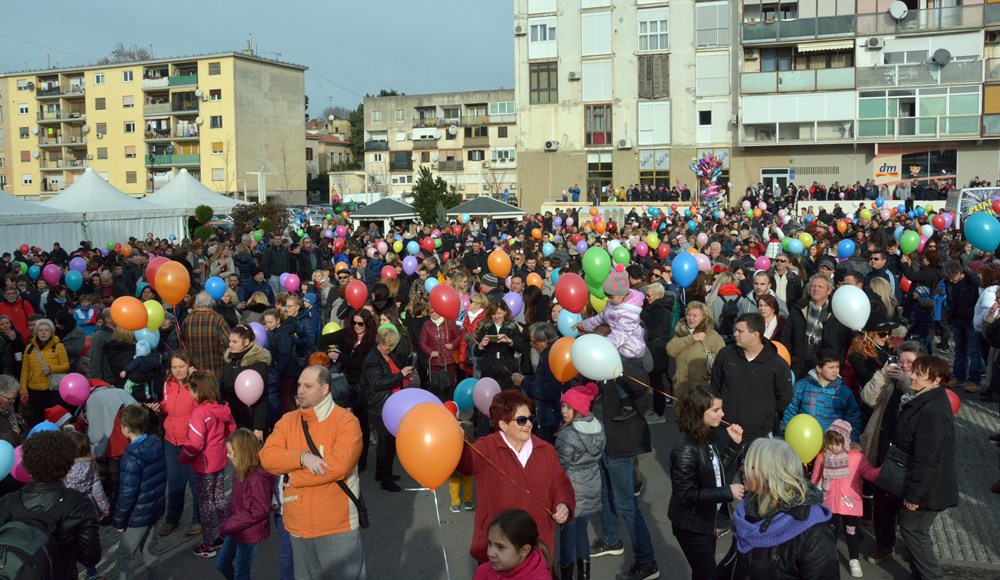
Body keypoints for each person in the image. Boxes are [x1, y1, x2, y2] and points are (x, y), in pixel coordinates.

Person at [259, 365, 366, 580]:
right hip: (299, 526)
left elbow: (338, 467)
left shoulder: (346, 422)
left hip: (337, 524)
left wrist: (294, 477)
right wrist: (301, 457)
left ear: (325, 389)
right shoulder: (287, 421)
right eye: (299, 385)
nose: (300, 391)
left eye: (308, 386)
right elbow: (267, 457)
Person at [457, 390, 574, 565]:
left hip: (536, 546)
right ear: (503, 424)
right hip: (500, 548)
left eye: (530, 418)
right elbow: (467, 464)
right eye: (521, 420)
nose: (528, 424)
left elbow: (560, 483)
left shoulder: (545, 449)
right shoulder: (487, 447)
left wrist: (563, 504)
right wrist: (459, 439)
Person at [716, 438, 838, 579]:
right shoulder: (748, 510)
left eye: (750, 465)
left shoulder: (814, 531)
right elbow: (730, 565)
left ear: (771, 474)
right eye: (743, 463)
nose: (742, 469)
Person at [888, 355, 958, 580]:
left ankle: (930, 576)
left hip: (928, 488)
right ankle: (919, 574)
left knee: (913, 529)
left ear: (936, 380)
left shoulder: (932, 410)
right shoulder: (927, 400)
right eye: (914, 371)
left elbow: (928, 458)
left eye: (919, 373)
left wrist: (915, 495)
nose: (913, 376)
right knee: (916, 530)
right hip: (927, 484)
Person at [667, 384, 744, 580]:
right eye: (716, 410)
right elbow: (687, 494)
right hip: (692, 526)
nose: (722, 414)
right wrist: (727, 492)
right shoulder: (685, 449)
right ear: (699, 412)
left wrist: (734, 444)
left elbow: (715, 470)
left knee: (702, 573)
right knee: (708, 575)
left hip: (707, 520)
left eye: (721, 408)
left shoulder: (705, 436)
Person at [0, 430, 101, 580]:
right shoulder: (79, 504)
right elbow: (91, 557)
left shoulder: (7, 502)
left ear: (28, 464)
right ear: (68, 464)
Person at [810, 420, 881, 578]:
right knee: (830, 532)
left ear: (846, 442)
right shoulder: (822, 457)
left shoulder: (856, 457)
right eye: (830, 442)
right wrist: (812, 494)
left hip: (850, 502)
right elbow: (815, 479)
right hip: (829, 502)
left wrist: (880, 472)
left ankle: (854, 559)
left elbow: (868, 472)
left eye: (837, 443)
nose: (833, 447)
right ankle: (829, 557)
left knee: (852, 532)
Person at [577, 265, 647, 421]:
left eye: (612, 297)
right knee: (614, 376)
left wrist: (604, 348)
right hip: (615, 346)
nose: (609, 300)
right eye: (607, 296)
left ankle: (628, 403)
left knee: (619, 376)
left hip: (629, 349)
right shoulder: (613, 304)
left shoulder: (629, 312)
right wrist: (585, 324)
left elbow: (620, 335)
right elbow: (601, 318)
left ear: (623, 295)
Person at [711, 313, 792, 444]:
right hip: (724, 428)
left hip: (757, 435)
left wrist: (762, 413)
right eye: (735, 330)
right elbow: (715, 386)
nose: (735, 334)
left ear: (755, 335)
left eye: (740, 331)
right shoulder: (725, 354)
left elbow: (784, 398)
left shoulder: (777, 364)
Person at [181, 370, 237, 557]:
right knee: (220, 498)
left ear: (199, 391)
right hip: (220, 460)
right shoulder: (222, 407)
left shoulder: (200, 412)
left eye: (191, 390)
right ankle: (227, 534)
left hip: (204, 464)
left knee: (205, 503)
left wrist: (184, 457)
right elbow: (231, 428)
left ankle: (207, 544)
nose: (190, 393)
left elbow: (195, 443)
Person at [555, 383, 606, 580]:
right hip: (591, 484)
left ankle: (567, 576)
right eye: (563, 406)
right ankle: (584, 576)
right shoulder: (598, 427)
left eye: (568, 407)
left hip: (570, 489)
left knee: (567, 535)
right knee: (582, 533)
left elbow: (560, 467)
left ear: (579, 409)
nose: (564, 411)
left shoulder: (567, 434)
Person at [114, 404, 167, 579]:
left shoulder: (130, 458)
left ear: (126, 429)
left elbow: (127, 494)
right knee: (150, 550)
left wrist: (120, 521)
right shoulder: (155, 444)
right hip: (154, 508)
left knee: (125, 555)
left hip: (137, 515)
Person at [217, 428, 277, 580]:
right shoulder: (240, 470)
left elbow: (259, 510)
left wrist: (229, 524)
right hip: (237, 527)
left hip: (249, 532)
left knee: (241, 572)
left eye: (230, 452)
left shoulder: (257, 479)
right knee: (222, 564)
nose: (227, 455)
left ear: (242, 453)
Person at [155, 351, 202, 538]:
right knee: (174, 484)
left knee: (196, 484)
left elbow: (206, 404)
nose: (177, 370)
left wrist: (194, 379)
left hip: (192, 441)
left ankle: (198, 520)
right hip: (171, 440)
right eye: (174, 367)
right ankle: (172, 519)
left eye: (181, 366)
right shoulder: (168, 383)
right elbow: (168, 405)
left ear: (189, 366)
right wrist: (160, 406)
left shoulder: (198, 382)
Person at [361, 327, 414, 492]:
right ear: (381, 343)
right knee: (387, 443)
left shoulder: (387, 355)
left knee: (386, 442)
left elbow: (393, 373)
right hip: (379, 405)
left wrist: (405, 375)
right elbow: (377, 384)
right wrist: (399, 376)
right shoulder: (372, 360)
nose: (391, 349)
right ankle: (386, 478)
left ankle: (381, 472)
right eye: (389, 346)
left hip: (390, 403)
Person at [781, 349, 861, 439]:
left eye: (837, 367)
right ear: (819, 368)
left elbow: (853, 418)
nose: (835, 371)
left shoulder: (843, 391)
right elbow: (790, 412)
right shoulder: (801, 386)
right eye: (831, 367)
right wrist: (785, 433)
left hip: (833, 445)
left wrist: (853, 440)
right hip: (805, 439)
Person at [61, 430, 108, 580]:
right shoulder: (91, 464)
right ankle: (93, 574)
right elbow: (97, 487)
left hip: (69, 511)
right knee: (87, 543)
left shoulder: (64, 468)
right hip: (88, 508)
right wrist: (104, 507)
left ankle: (71, 573)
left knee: (69, 545)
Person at [513, 322, 565, 444]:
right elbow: (540, 379)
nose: (533, 345)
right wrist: (525, 378)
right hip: (546, 414)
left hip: (551, 417)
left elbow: (548, 391)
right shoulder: (546, 354)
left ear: (545, 340)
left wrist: (524, 382)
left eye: (534, 342)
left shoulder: (551, 358)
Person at [474, 509, 558, 580]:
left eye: (500, 547)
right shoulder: (483, 572)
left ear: (524, 551)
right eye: (489, 543)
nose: (490, 553)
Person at [667, 301, 725, 401]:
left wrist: (713, 380)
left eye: (695, 315)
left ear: (703, 318)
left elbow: (722, 359)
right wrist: (691, 338)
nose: (691, 318)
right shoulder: (681, 331)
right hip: (681, 384)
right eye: (689, 315)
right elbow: (670, 350)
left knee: (699, 414)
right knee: (681, 413)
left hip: (702, 386)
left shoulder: (712, 335)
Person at [220, 325, 271, 440]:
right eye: (229, 341)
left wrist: (259, 427)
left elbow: (262, 398)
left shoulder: (257, 363)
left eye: (234, 342)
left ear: (246, 342)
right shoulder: (230, 359)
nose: (230, 345)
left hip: (250, 419)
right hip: (231, 417)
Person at [19, 317, 69, 418]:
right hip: (34, 390)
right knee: (39, 417)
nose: (43, 333)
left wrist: (51, 369)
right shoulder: (29, 348)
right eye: (40, 330)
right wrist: (23, 391)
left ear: (51, 332)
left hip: (53, 389)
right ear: (36, 332)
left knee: (55, 417)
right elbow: (25, 370)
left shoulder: (59, 346)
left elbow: (66, 366)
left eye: (46, 330)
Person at [474, 300, 525, 391]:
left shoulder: (512, 326)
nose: (496, 317)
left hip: (507, 369)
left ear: (505, 312)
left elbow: (521, 347)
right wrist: (481, 344)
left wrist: (509, 341)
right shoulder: (486, 327)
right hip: (489, 370)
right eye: (493, 314)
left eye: (499, 313)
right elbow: (476, 352)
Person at [181, 291, 232, 381]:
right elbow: (228, 345)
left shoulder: (186, 321)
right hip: (215, 373)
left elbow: (182, 346)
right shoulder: (218, 320)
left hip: (194, 373)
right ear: (211, 304)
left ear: (196, 304)